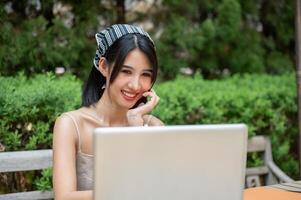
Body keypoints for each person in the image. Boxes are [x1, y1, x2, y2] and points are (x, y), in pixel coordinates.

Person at [52, 24, 164, 200]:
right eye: (126, 71)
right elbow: (64, 197)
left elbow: (159, 190)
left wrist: (137, 130)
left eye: (145, 74)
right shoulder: (71, 125)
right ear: (104, 66)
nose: (135, 85)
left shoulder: (151, 126)